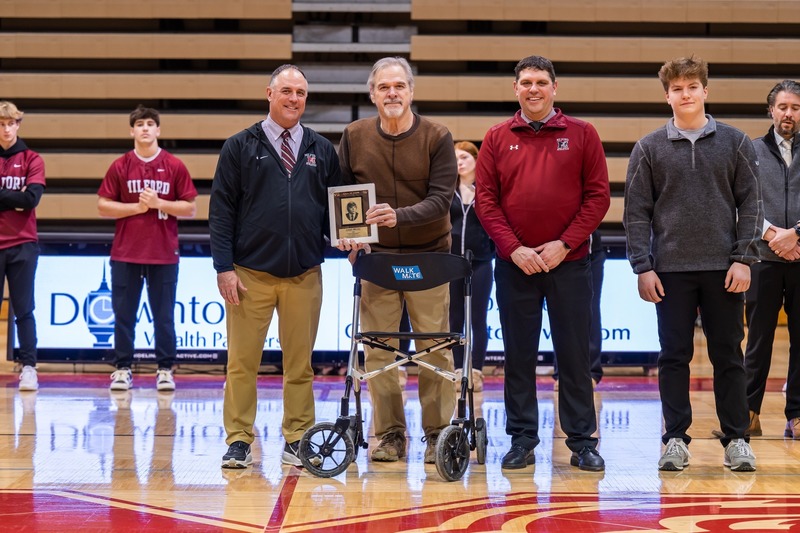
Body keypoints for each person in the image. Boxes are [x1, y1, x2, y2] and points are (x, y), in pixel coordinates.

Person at [624, 56, 762, 472]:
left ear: (706, 91)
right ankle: (675, 440)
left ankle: (737, 438)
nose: (686, 94)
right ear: (667, 95)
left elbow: (752, 203)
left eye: (692, 87)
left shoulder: (736, 142)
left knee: (728, 356)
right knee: (673, 356)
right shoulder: (648, 147)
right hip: (669, 270)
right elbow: (635, 212)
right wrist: (642, 266)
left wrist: (743, 258)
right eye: (677, 89)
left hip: (724, 269)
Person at [475, 55, 609, 472]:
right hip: (516, 265)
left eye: (541, 82)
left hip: (569, 264)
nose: (533, 89)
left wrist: (564, 244)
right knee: (518, 355)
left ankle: (583, 441)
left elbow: (598, 197)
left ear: (555, 88)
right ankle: (521, 439)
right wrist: (514, 248)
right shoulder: (496, 137)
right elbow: (486, 201)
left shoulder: (583, 134)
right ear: (515, 89)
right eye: (526, 82)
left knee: (574, 356)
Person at [210, 64, 342, 469]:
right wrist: (223, 267)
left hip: (304, 273)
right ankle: (239, 440)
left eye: (300, 93)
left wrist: (348, 238)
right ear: (269, 93)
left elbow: (333, 213)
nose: (294, 99)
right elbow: (221, 211)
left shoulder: (322, 149)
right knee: (242, 362)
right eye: (286, 91)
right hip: (250, 274)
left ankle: (298, 437)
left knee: (300, 364)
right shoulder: (239, 146)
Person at [337, 56, 457, 464]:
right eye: (384, 87)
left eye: (399, 86)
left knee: (435, 350)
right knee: (377, 350)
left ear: (411, 91)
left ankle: (438, 434)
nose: (392, 93)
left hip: (430, 257)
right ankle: (389, 435)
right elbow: (341, 194)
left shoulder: (437, 136)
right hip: (377, 260)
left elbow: (442, 199)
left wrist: (398, 216)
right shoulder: (353, 136)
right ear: (372, 94)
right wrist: (350, 236)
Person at [98, 105, 198, 392]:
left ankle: (165, 369)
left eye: (150, 123)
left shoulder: (174, 165)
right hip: (125, 253)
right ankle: (122, 369)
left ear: (158, 130)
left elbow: (190, 207)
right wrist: (136, 207)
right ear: (132, 130)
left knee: (164, 316)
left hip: (164, 254)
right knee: (124, 316)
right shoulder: (120, 166)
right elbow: (103, 205)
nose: (144, 128)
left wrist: (159, 204)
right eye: (139, 124)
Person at [742, 80, 800, 439]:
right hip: (762, 259)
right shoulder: (750, 150)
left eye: (795, 107)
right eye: (782, 107)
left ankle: (796, 415)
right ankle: (747, 412)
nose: (788, 114)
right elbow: (741, 202)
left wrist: (796, 233)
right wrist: (772, 235)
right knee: (758, 339)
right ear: (770, 111)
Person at [0, 101, 45, 391]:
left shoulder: (32, 159)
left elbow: (31, 200)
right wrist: (13, 196)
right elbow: (21, 198)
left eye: (10, 123)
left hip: (23, 244)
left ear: (18, 125)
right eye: (1, 124)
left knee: (24, 308)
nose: (6, 129)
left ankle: (29, 367)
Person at [450, 141, 494, 393]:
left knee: (478, 318)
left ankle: (476, 372)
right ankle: (458, 371)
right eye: (455, 158)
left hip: (480, 262)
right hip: (453, 262)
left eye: (465, 157)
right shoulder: (448, 191)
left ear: (476, 160)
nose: (460, 162)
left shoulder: (486, 190)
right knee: (455, 318)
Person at [554, 229, 605, 389]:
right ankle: (562, 373)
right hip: (553, 252)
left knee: (590, 311)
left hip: (588, 252)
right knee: (560, 314)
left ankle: (590, 372)